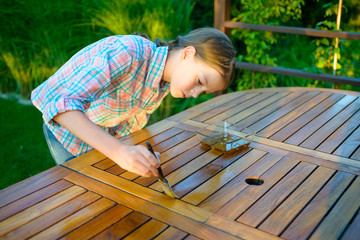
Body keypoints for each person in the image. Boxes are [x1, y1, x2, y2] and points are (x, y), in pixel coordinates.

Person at [31, 27, 236, 178]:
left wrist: (132, 151)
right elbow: (60, 105)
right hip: (68, 135)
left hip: (103, 135)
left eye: (203, 92)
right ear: (187, 53)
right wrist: (119, 152)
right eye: (200, 81)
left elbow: (128, 119)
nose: (195, 93)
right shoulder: (129, 53)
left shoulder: (163, 83)